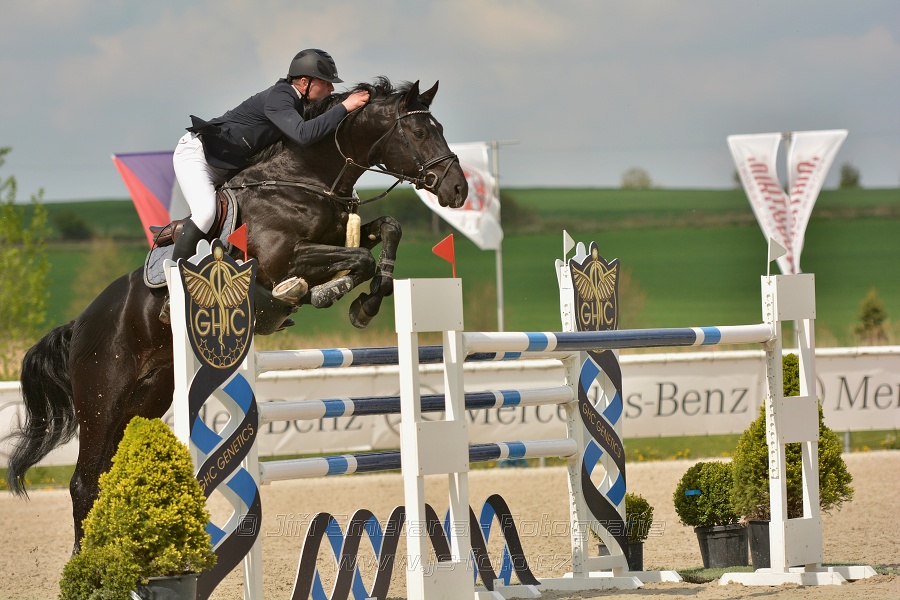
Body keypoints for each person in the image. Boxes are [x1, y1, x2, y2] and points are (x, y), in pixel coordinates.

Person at [160, 48, 370, 323]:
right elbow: (304, 135)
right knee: (206, 213)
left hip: (231, 167)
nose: (331, 89)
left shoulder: (300, 105)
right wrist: (345, 106)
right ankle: (174, 291)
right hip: (198, 157)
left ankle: (260, 299)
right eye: (326, 82)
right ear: (304, 82)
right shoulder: (280, 97)